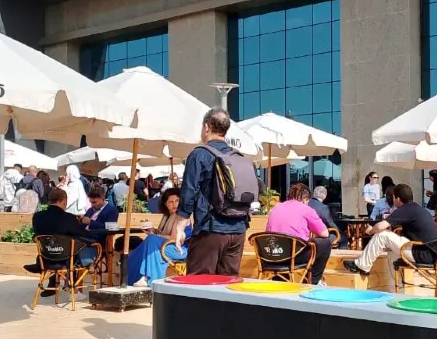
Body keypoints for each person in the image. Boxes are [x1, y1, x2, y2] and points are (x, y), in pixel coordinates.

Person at [173, 108, 252, 276]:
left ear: (206, 127)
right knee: (228, 283)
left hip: (210, 228)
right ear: (226, 130)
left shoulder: (199, 154)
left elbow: (189, 192)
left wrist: (180, 227)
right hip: (238, 229)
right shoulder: (238, 156)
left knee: (199, 282)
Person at [343, 184, 437, 282]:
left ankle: (362, 266)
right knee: (392, 255)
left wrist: (370, 231)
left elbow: (380, 226)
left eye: (393, 197)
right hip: (429, 253)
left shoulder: (405, 209)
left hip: (420, 253)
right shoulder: (417, 209)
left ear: (398, 199)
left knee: (382, 235)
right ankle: (396, 288)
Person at [22, 188, 100, 298]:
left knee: (58, 243)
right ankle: (73, 289)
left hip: (47, 256)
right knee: (76, 247)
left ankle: (40, 265)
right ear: (63, 201)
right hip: (66, 258)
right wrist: (94, 237)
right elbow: (81, 233)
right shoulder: (68, 218)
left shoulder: (37, 217)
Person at [265, 183, 331, 285]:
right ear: (305, 199)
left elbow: (267, 232)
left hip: (271, 255)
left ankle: (280, 280)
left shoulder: (276, 207)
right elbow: (324, 233)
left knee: (284, 244)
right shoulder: (306, 209)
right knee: (325, 243)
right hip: (294, 256)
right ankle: (312, 281)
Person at [127, 188, 191, 286]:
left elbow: (173, 237)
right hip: (166, 245)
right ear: (166, 204)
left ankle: (150, 278)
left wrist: (155, 235)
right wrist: (152, 231)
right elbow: (161, 234)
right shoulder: (166, 216)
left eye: (177, 201)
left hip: (179, 249)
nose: (174, 204)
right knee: (137, 253)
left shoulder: (181, 216)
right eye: (171, 202)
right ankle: (131, 279)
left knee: (151, 240)